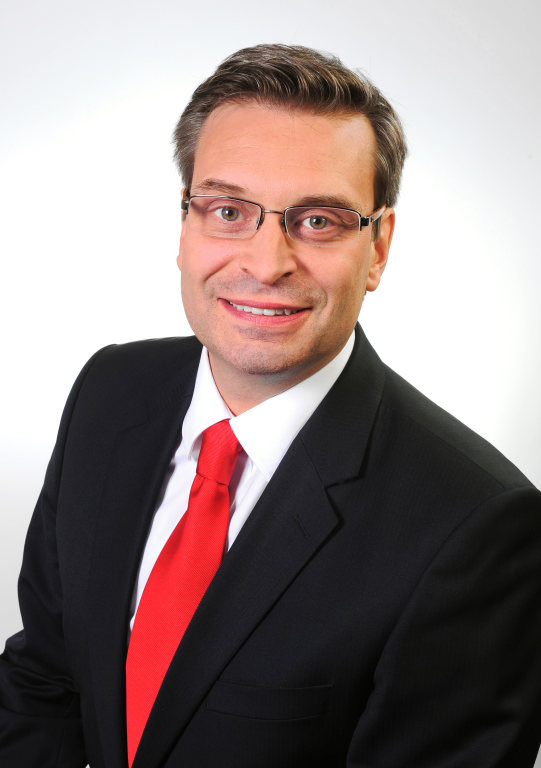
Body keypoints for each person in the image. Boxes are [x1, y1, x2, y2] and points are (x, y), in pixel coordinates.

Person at [0, 43, 540, 768]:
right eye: (228, 210)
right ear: (185, 224)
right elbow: (44, 680)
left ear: (378, 247)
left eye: (318, 221)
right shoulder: (110, 390)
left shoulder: (475, 528)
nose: (265, 263)